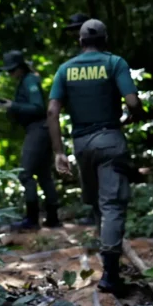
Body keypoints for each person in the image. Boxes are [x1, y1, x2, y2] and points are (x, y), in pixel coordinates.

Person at [47, 19, 143, 295]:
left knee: (97, 203)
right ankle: (110, 274)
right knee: (112, 203)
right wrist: (133, 116)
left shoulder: (65, 69)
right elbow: (133, 102)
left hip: (82, 144)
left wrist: (58, 153)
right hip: (110, 139)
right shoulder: (115, 63)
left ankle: (108, 259)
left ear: (80, 41)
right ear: (105, 39)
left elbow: (52, 112)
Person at [0, 50, 60, 230]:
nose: (10, 74)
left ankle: (32, 219)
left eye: (12, 70)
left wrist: (13, 105)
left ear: (20, 68)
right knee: (44, 174)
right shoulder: (25, 81)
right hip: (39, 129)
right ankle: (52, 218)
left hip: (38, 129)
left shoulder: (30, 80)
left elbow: (38, 107)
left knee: (25, 173)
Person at [62, 13, 100, 227]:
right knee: (89, 177)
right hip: (82, 126)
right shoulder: (72, 63)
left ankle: (101, 216)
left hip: (99, 124)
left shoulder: (102, 57)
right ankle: (96, 213)